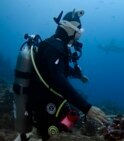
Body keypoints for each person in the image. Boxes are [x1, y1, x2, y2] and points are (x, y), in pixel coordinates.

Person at [14, 9, 107, 141]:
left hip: (45, 101)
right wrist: (87, 108)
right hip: (43, 105)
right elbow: (59, 79)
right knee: (55, 132)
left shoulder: (54, 44)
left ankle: (30, 135)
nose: (79, 35)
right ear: (70, 29)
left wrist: (78, 75)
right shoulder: (55, 47)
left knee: (69, 120)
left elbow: (61, 69)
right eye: (79, 31)